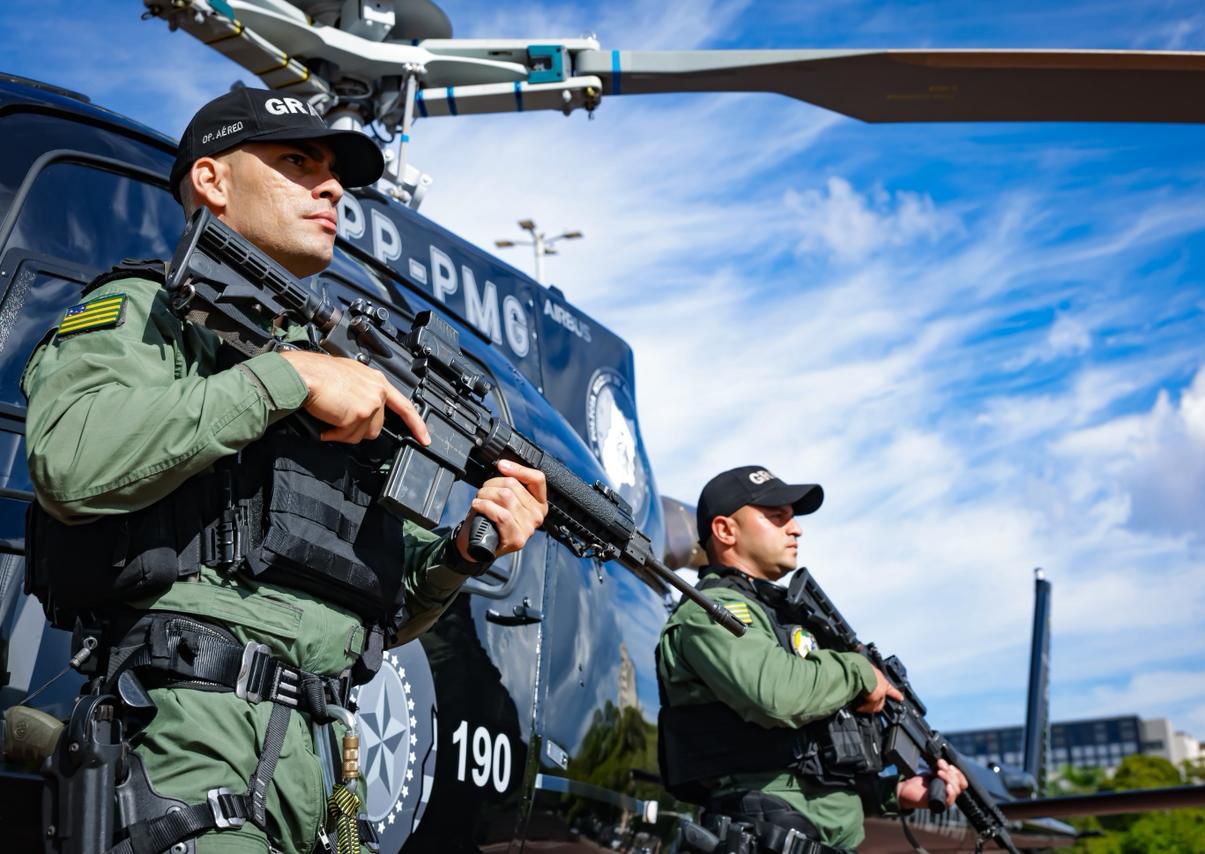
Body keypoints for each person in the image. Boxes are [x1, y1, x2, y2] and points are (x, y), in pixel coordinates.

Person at [22, 87, 547, 854]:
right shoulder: (146, 310)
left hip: (328, 753)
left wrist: (465, 552)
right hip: (193, 726)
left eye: (334, 173)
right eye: (298, 161)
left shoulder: (340, 369)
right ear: (211, 180)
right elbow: (71, 461)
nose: (331, 187)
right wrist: (286, 381)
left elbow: (366, 607)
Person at [656, 466, 967, 853]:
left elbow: (810, 764)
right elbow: (777, 694)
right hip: (767, 828)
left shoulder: (783, 619)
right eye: (777, 517)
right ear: (725, 531)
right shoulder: (711, 612)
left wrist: (895, 792)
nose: (796, 529)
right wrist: (858, 672)